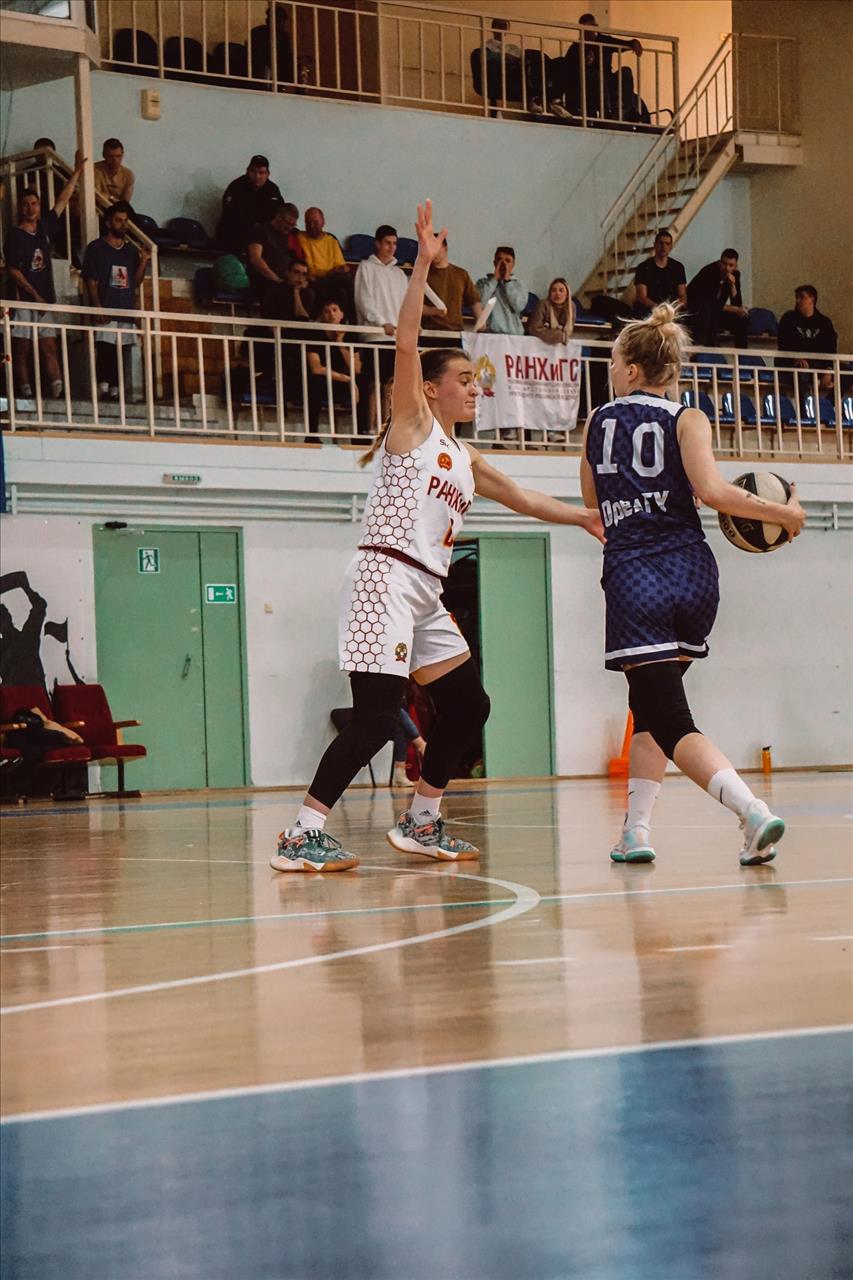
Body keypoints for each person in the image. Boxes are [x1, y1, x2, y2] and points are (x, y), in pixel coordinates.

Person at [270, 200, 604, 872]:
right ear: (430, 390)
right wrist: (421, 264)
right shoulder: (413, 427)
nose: (474, 390)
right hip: (384, 576)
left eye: (475, 383)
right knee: (375, 719)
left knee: (468, 704)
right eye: (464, 381)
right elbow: (404, 342)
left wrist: (584, 518)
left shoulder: (464, 457)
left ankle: (422, 820)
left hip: (424, 592)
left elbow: (524, 497)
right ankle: (300, 834)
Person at [579, 302, 805, 868]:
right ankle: (635, 831)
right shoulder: (689, 418)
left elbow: (592, 503)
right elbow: (713, 492)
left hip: (636, 576)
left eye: (614, 362)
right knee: (649, 705)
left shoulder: (598, 420)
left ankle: (751, 812)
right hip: (695, 574)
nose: (611, 371)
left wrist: (783, 514)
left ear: (633, 369)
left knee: (671, 719)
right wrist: (778, 511)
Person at [4, 153, 85, 400]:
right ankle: (25, 391)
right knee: (22, 347)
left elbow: (62, 200)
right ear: (21, 208)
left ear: (39, 207)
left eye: (34, 204)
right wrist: (34, 295)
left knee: (49, 345)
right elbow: (13, 270)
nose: (31, 208)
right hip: (23, 301)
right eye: (26, 204)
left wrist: (77, 172)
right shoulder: (15, 235)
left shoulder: (45, 227)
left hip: (44, 300)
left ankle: (58, 389)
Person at [82, 201, 150, 399]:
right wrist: (97, 305)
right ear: (108, 223)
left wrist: (143, 261)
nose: (123, 224)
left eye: (125, 220)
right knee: (106, 348)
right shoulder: (96, 248)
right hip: (106, 305)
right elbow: (91, 279)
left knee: (121, 350)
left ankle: (116, 390)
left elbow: (135, 282)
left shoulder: (130, 251)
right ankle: (103, 387)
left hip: (125, 308)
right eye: (118, 220)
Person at [561, 13, 645, 123]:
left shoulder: (604, 40)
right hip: (589, 84)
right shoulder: (576, 47)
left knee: (626, 71)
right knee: (596, 75)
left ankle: (627, 109)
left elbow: (622, 44)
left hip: (608, 80)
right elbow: (569, 69)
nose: (588, 32)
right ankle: (606, 112)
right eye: (585, 29)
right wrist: (584, 63)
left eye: (591, 28)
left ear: (596, 27)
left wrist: (634, 43)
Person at [306, 300, 361, 436]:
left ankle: (360, 436)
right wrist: (347, 379)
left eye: (335, 310)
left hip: (343, 384)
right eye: (327, 311)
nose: (331, 314)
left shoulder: (351, 335)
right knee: (316, 382)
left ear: (341, 314)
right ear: (322, 316)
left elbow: (356, 368)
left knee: (364, 382)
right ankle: (312, 435)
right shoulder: (315, 336)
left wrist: (340, 343)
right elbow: (316, 368)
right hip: (327, 380)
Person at [777, 285, 838, 398]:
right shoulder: (788, 319)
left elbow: (831, 348)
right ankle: (805, 407)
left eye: (801, 297)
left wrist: (829, 369)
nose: (798, 300)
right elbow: (783, 345)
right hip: (792, 366)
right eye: (796, 297)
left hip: (818, 365)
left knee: (847, 372)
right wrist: (796, 359)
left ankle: (829, 403)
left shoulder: (824, 322)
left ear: (812, 300)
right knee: (802, 370)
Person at [217, 156, 284, 256]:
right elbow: (231, 216)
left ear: (267, 174)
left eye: (261, 173)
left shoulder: (273, 190)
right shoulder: (237, 186)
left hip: (263, 237)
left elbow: (280, 214)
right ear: (247, 171)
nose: (257, 176)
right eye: (253, 172)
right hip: (236, 234)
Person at [298, 206, 354, 318]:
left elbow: (339, 264)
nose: (311, 226)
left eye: (315, 222)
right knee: (344, 280)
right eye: (308, 223)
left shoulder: (331, 241)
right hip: (313, 279)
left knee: (346, 278)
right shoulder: (301, 238)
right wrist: (327, 272)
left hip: (332, 278)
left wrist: (341, 268)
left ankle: (352, 319)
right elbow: (307, 268)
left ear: (323, 222)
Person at [686, 249, 749, 349]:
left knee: (742, 317)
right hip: (697, 309)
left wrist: (733, 286)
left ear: (736, 266)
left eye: (731, 265)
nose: (727, 268)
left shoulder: (735, 275)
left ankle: (742, 352)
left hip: (715, 310)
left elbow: (737, 303)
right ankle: (705, 348)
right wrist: (736, 309)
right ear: (719, 262)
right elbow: (712, 303)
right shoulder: (709, 272)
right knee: (708, 311)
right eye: (724, 264)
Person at [422, 236, 482, 339]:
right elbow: (416, 307)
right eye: (430, 249)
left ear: (445, 248)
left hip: (456, 332)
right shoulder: (422, 275)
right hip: (430, 332)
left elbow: (474, 301)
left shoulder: (461, 274)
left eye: (436, 248)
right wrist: (435, 311)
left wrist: (481, 322)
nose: (433, 252)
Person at [248, 204, 306, 308]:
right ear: (278, 217)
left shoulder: (289, 236)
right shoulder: (261, 230)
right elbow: (255, 258)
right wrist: (275, 279)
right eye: (288, 223)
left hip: (284, 279)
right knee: (282, 292)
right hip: (264, 278)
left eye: (293, 225)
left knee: (308, 292)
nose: (290, 227)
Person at [475, 246, 528, 335]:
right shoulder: (482, 283)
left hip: (513, 335)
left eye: (507, 261)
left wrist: (507, 281)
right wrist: (494, 279)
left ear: (513, 264)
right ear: (494, 262)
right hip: (489, 334)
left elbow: (519, 306)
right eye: (499, 260)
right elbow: (479, 304)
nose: (503, 264)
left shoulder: (519, 285)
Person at [633, 229, 687, 316]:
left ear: (671, 246)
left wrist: (674, 309)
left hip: (672, 311)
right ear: (655, 244)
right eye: (660, 243)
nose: (663, 247)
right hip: (650, 311)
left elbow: (682, 295)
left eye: (667, 244)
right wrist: (660, 309)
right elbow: (642, 297)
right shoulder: (643, 267)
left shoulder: (678, 267)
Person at [528, 278, 574, 344]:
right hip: (537, 343)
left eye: (561, 290)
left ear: (567, 294)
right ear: (550, 294)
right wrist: (559, 336)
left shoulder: (571, 306)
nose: (557, 293)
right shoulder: (543, 304)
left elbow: (568, 331)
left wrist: (561, 336)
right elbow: (534, 329)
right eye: (554, 290)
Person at [93, 138, 135, 206]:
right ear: (104, 155)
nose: (115, 160)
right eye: (111, 156)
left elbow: (125, 204)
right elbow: (95, 197)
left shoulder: (128, 175)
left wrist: (110, 197)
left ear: (123, 155)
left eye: (118, 156)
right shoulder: (93, 170)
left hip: (117, 210)